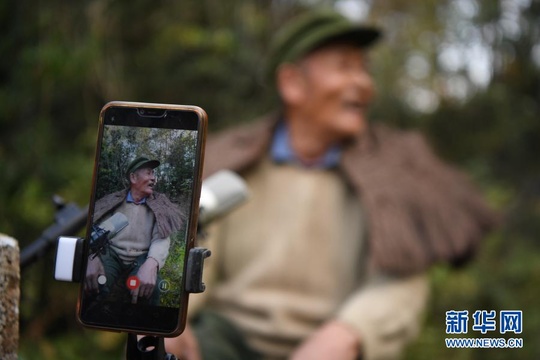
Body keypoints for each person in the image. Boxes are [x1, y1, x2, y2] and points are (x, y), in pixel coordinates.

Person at [166, 9, 499, 360]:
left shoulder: (396, 169)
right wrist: (173, 324)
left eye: (364, 69)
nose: (364, 84)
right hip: (226, 343)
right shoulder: (231, 160)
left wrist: (349, 334)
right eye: (345, 67)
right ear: (292, 83)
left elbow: (403, 280)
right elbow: (196, 253)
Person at [85, 156, 183, 305]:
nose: (153, 179)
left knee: (152, 288)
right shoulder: (113, 201)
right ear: (133, 177)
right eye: (149, 173)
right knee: (96, 284)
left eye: (154, 174)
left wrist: (152, 263)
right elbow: (95, 232)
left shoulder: (159, 205)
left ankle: (144, 327)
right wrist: (91, 257)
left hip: (141, 258)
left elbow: (161, 238)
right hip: (112, 254)